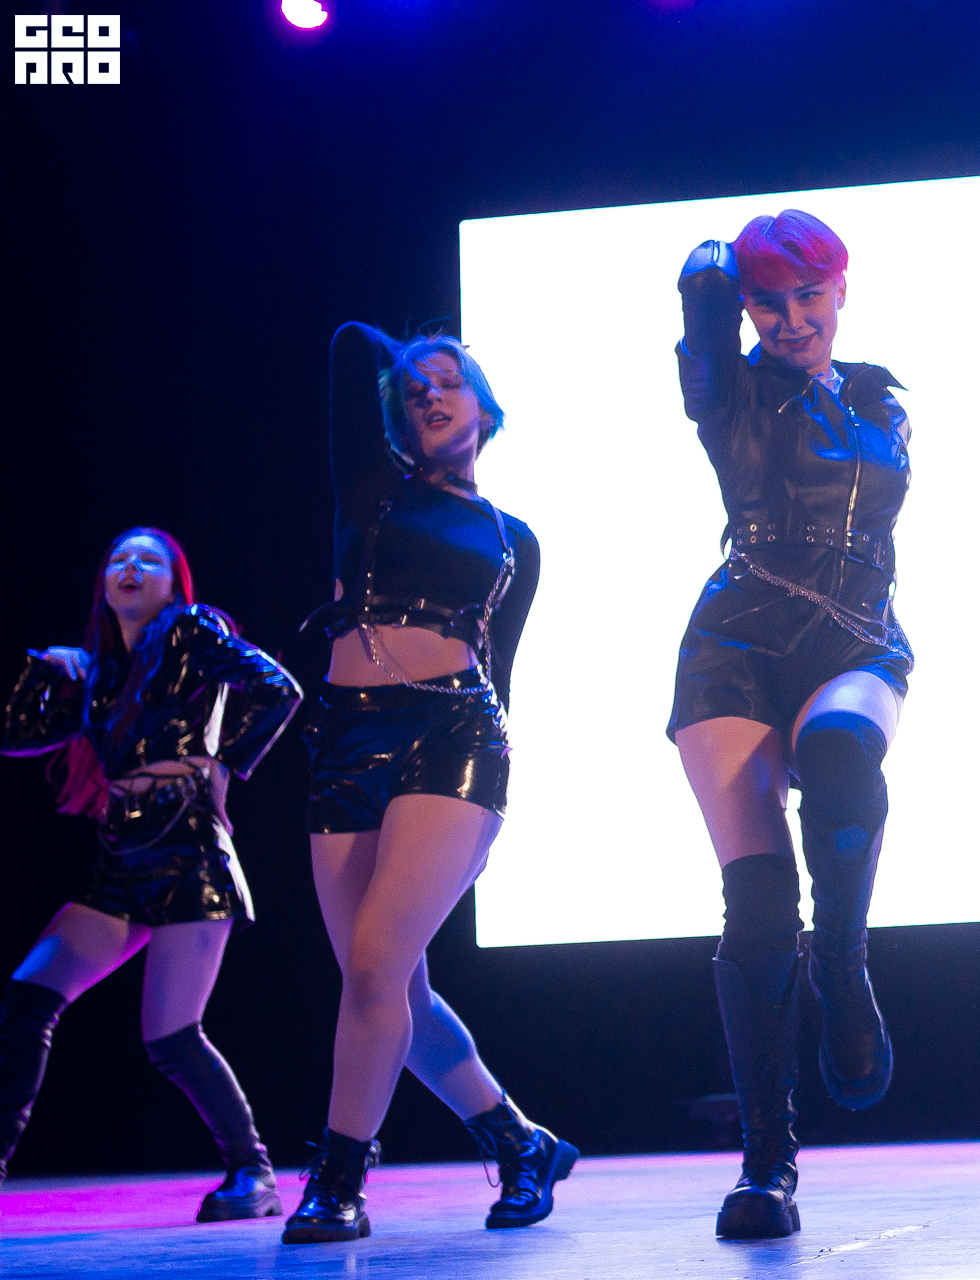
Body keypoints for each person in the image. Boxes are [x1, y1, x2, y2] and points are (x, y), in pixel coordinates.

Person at [285, 323, 573, 1243]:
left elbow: (502, 668)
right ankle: (520, 1141)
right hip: (345, 738)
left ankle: (337, 1181)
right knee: (388, 987)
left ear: (486, 407)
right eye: (414, 391)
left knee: (374, 969)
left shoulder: (513, 538)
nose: (432, 396)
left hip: (456, 738)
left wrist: (488, 807)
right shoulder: (371, 486)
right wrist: (399, 366)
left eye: (451, 382)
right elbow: (346, 347)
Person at [673, 210, 913, 1239]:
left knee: (841, 751)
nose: (791, 318)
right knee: (761, 904)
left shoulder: (878, 396)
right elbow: (703, 311)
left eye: (809, 295)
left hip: (856, 635)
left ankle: (843, 965)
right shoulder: (728, 388)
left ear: (842, 290)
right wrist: (717, 285)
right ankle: (768, 1163)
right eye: (768, 302)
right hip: (735, 642)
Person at [0, 527, 299, 1220]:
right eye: (117, 560)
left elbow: (277, 688)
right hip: (121, 858)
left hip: (188, 850)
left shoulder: (190, 631)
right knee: (26, 1000)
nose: (130, 567)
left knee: (170, 1036)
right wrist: (45, 669)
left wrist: (224, 764)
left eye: (148, 560)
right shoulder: (102, 674)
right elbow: (15, 736)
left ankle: (253, 1173)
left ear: (172, 583)